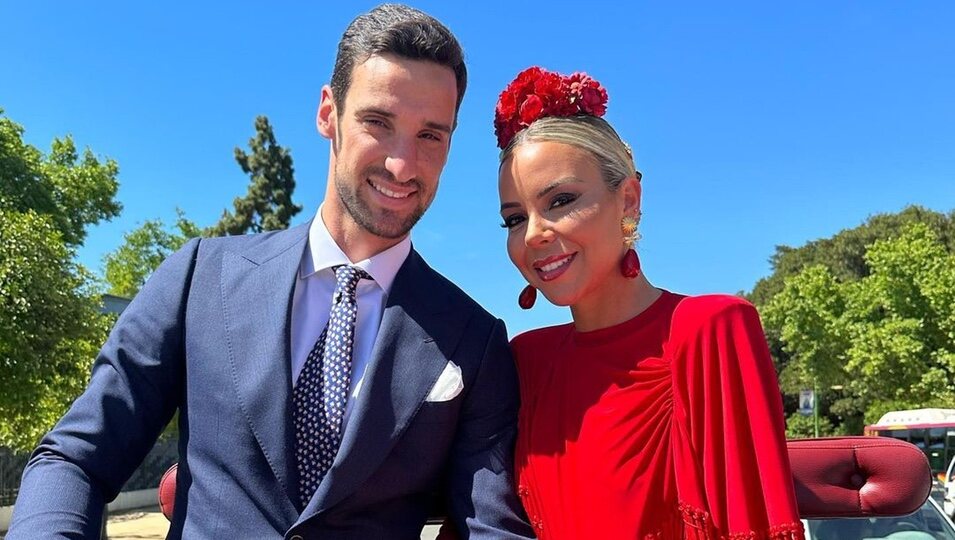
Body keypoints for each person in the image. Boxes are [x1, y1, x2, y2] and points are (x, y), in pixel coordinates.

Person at [7, 5, 533, 539]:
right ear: (329, 112)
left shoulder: (476, 341)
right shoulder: (198, 278)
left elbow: (489, 528)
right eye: (378, 122)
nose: (402, 163)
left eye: (430, 136)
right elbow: (75, 458)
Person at [494, 67, 805, 539]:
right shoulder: (527, 360)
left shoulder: (711, 328)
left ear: (629, 200)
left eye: (560, 201)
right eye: (515, 219)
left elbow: (753, 525)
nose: (534, 234)